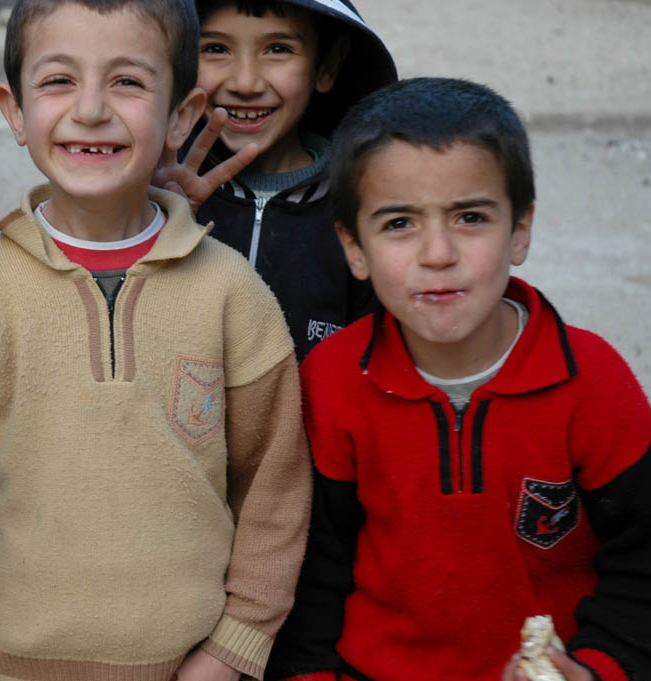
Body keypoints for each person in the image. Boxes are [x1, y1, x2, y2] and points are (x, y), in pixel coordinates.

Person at [0, 2, 312, 681]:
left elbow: (275, 489)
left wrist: (234, 646)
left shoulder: (234, 295)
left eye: (127, 82)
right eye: (59, 81)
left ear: (181, 117)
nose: (90, 110)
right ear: (15, 111)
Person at [267, 77, 651, 681]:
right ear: (354, 248)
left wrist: (598, 671)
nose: (438, 253)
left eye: (470, 217)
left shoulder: (593, 383)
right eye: (400, 223)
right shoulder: (333, 383)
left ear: (520, 229)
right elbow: (312, 575)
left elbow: (641, 566)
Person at [182, 0, 396, 362]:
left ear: (326, 66)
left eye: (278, 49)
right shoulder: (155, 192)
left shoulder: (362, 208)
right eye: (216, 48)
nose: (245, 83)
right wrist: (155, 220)